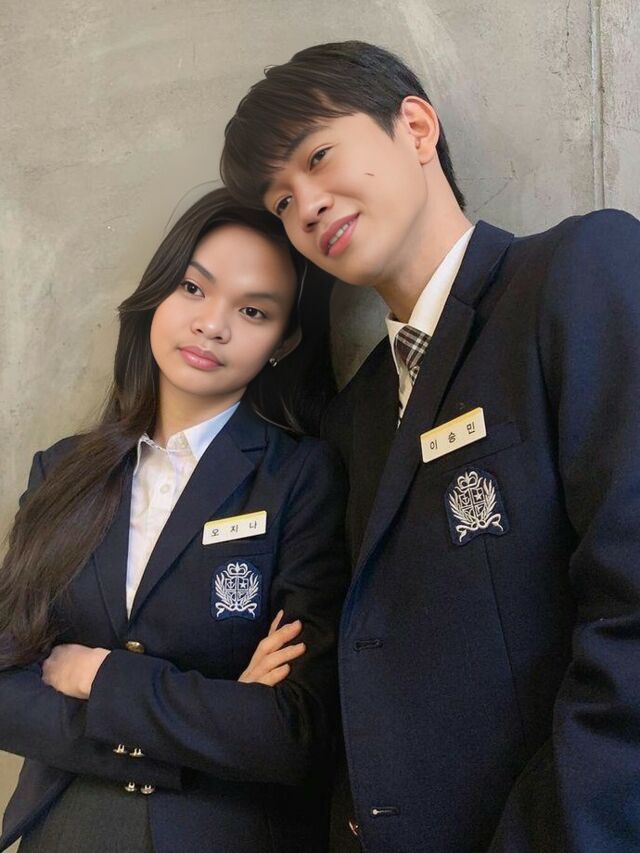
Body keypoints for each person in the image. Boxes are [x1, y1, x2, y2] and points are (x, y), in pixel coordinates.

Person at [220, 40, 640, 853]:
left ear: (415, 127)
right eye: (281, 201)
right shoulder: (356, 415)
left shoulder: (576, 273)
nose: (307, 206)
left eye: (318, 156)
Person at [0, 188, 346, 853]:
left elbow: (291, 729)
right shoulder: (63, 470)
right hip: (69, 828)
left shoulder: (301, 477)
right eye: (193, 288)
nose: (213, 325)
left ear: (284, 341)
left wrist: (100, 679)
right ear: (158, 293)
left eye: (252, 310)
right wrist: (210, 714)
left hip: (227, 834)